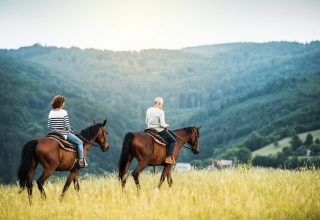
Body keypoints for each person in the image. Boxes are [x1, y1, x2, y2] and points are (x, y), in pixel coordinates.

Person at [48, 95, 86, 168]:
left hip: (53, 133)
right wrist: (70, 131)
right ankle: (80, 161)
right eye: (63, 102)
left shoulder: (51, 112)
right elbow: (67, 126)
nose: (64, 104)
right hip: (63, 133)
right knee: (80, 142)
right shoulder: (63, 112)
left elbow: (49, 125)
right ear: (61, 103)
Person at [146, 97, 177, 164]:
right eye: (162, 104)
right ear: (159, 103)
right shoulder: (160, 112)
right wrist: (167, 125)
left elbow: (146, 121)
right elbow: (162, 125)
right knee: (173, 141)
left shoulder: (149, 110)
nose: (162, 106)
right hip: (158, 130)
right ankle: (168, 157)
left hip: (149, 129)